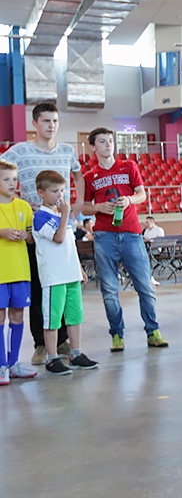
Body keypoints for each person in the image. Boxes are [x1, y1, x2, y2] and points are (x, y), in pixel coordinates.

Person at [2, 102, 84, 366]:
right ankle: (41, 344)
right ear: (35, 123)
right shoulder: (19, 151)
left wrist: (78, 204)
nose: (51, 125)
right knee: (41, 288)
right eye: (46, 121)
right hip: (35, 226)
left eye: (55, 121)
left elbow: (79, 176)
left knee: (64, 285)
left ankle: (62, 341)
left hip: (60, 224)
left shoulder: (66, 151)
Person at [81, 128, 169, 351]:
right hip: (104, 236)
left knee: (145, 285)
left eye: (110, 141)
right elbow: (84, 206)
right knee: (109, 289)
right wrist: (100, 207)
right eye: (102, 141)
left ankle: (153, 331)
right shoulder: (90, 177)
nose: (108, 144)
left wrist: (129, 200)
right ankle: (117, 335)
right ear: (94, 147)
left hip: (131, 233)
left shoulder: (129, 166)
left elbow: (142, 194)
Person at [32, 170, 98, 375]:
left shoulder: (63, 216)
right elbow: (58, 238)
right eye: (54, 191)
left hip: (71, 273)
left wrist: (78, 268)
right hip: (54, 276)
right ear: (41, 193)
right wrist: (66, 215)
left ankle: (76, 353)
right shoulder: (40, 217)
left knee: (75, 316)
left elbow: (70, 243)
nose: (59, 195)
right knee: (52, 318)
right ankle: (52, 358)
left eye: (61, 190)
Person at [0, 160, 38, 384]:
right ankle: (1, 365)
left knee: (17, 315)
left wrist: (27, 236)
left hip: (21, 270)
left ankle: (13, 363)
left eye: (15, 179)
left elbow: (34, 238)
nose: (12, 183)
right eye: (6, 179)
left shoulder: (23, 206)